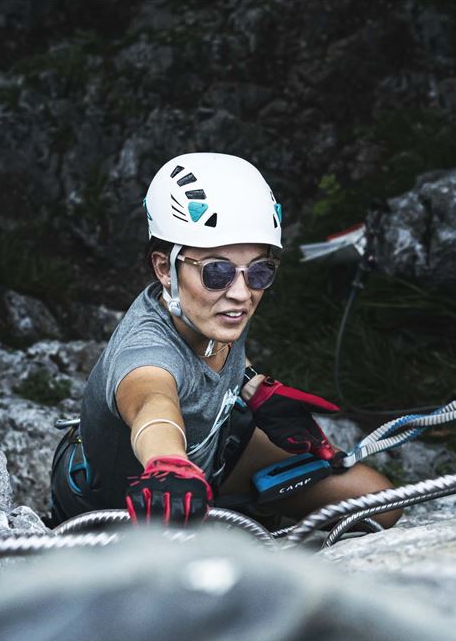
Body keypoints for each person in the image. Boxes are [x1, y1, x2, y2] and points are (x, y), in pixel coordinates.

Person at [49, 152, 399, 528]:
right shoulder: (146, 352)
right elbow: (153, 405)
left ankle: (245, 507)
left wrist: (255, 388)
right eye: (217, 271)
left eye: (260, 272)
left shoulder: (213, 306)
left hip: (210, 457)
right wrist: (167, 463)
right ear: (165, 267)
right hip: (132, 501)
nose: (241, 293)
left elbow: (225, 348)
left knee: (378, 503)